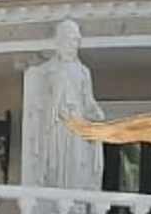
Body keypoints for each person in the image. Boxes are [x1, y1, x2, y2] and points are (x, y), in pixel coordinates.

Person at [20, 21, 105, 191]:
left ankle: (75, 201)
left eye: (75, 40)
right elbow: (38, 99)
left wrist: (97, 113)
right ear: (59, 42)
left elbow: (88, 101)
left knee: (77, 161)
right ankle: (55, 199)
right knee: (56, 162)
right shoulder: (47, 70)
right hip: (56, 123)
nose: (72, 45)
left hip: (77, 122)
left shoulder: (83, 72)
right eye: (69, 40)